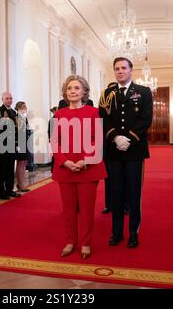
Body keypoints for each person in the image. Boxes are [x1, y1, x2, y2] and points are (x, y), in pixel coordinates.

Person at [99, 57, 153, 249]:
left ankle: (133, 233)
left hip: (134, 149)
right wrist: (115, 137)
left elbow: (146, 119)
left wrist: (128, 138)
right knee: (116, 193)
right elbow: (103, 119)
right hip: (114, 151)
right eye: (116, 68)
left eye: (123, 68)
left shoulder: (143, 92)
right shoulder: (106, 93)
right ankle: (116, 232)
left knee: (133, 192)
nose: (120, 71)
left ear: (131, 70)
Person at [51, 75, 107, 260]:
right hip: (65, 168)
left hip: (88, 168)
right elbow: (55, 141)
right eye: (69, 88)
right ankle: (70, 241)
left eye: (76, 88)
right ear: (65, 93)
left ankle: (85, 243)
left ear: (84, 91)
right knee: (68, 210)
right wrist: (65, 161)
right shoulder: (58, 114)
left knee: (86, 209)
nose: (72, 91)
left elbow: (97, 140)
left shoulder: (93, 112)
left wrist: (85, 160)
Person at [0, 92, 21, 200]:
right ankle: (1, 192)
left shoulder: (13, 112)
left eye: (11, 98)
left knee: (10, 169)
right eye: (7, 98)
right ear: (2, 99)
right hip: (2, 145)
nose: (9, 100)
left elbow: (16, 129)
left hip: (12, 144)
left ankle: (9, 190)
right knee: (1, 170)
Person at [14, 101, 31, 192]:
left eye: (25, 106)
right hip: (20, 144)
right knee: (21, 163)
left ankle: (21, 183)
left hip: (25, 142)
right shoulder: (17, 118)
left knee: (24, 163)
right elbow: (16, 132)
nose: (26, 107)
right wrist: (17, 144)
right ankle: (20, 184)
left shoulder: (24, 117)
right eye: (23, 106)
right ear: (18, 108)